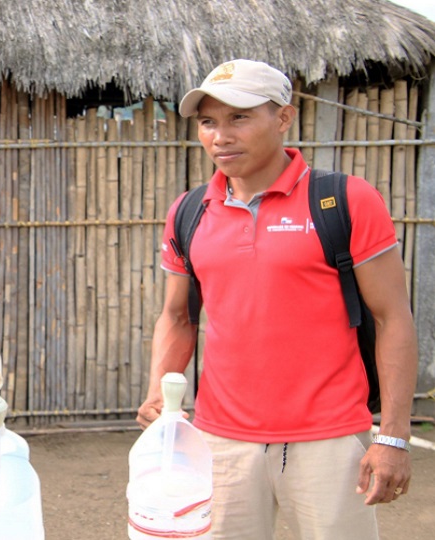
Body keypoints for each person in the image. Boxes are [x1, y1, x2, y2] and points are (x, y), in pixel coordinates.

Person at [136, 59, 418, 539]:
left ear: (283, 118)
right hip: (219, 441)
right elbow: (178, 316)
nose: (220, 136)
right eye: (208, 122)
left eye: (239, 117)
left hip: (328, 439)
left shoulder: (343, 200)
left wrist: (392, 435)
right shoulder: (189, 211)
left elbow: (392, 318)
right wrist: (158, 394)